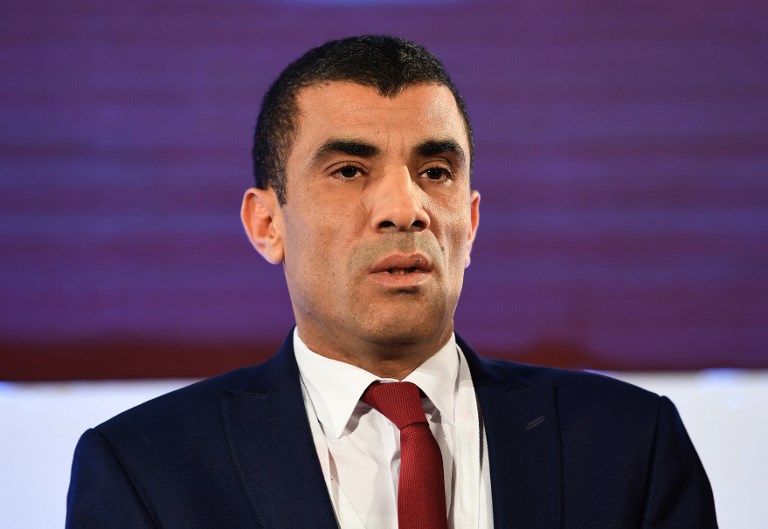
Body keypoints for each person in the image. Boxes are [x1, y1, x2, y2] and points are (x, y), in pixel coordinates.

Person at [66, 35, 718, 529]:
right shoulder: (144, 470)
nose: (405, 208)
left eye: (435, 172)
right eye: (350, 170)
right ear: (266, 223)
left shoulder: (632, 445)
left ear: (471, 221)